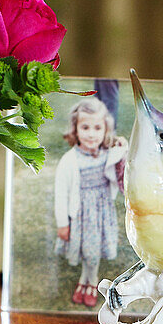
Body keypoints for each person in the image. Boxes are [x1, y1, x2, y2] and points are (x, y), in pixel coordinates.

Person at [54, 95, 127, 307]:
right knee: (86, 250)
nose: (92, 134)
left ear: (106, 130)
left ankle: (89, 282)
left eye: (98, 128)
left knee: (93, 250)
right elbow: (61, 193)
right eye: (85, 127)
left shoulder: (108, 155)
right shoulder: (70, 160)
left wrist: (122, 146)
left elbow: (123, 165)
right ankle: (87, 281)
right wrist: (62, 223)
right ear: (75, 129)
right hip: (81, 213)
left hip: (101, 212)